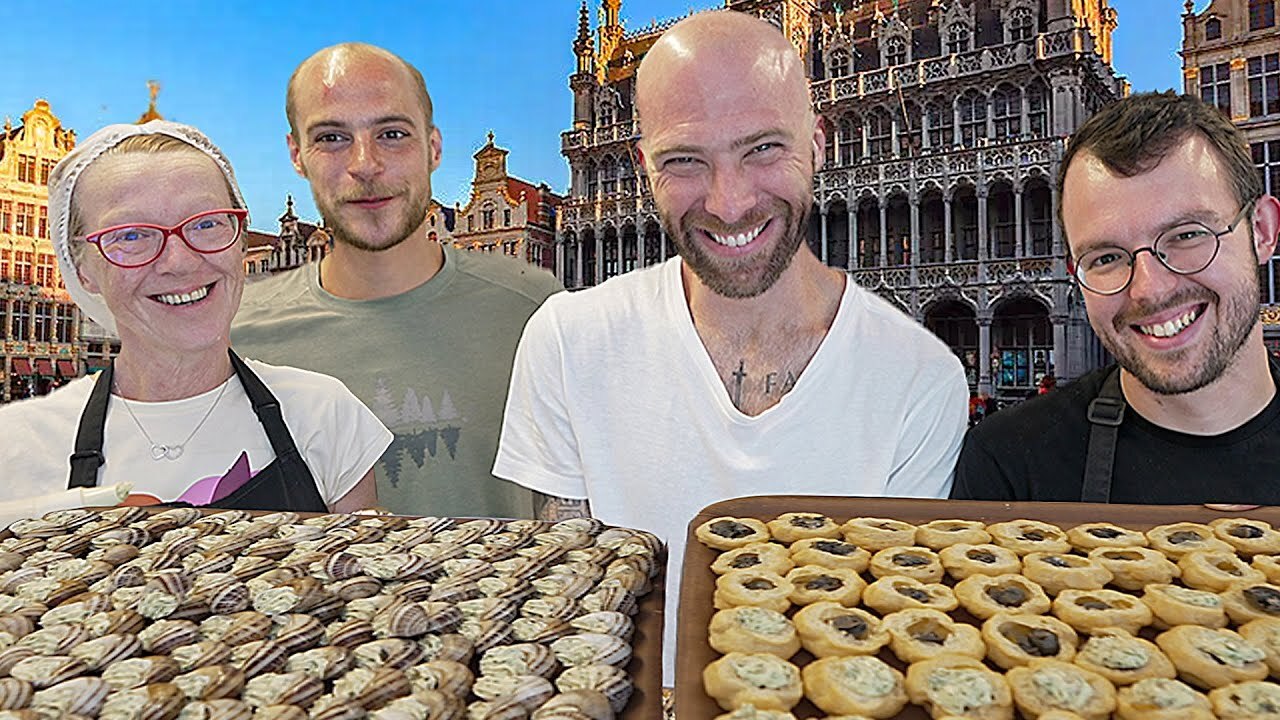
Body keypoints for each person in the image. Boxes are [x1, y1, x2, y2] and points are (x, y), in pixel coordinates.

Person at [493, 10, 968, 684]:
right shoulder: (566, 342)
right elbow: (575, 602)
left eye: (764, 148)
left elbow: (881, 635)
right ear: (643, 168)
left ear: (819, 143)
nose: (730, 200)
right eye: (686, 160)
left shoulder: (922, 380)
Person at [232, 43, 562, 519]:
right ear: (296, 154)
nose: (365, 164)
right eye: (330, 137)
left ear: (433, 147)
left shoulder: (537, 311)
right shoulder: (237, 339)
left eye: (391, 133)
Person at [0, 120, 390, 511]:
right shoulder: (16, 447)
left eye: (206, 223)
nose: (181, 262)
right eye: (132, 234)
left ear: (239, 239)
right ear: (82, 268)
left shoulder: (325, 414)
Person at [952, 91, 1280, 504]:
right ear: (1077, 274)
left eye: (1187, 235)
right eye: (1106, 257)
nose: (1149, 289)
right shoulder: (1006, 463)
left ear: (1263, 231)